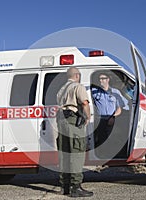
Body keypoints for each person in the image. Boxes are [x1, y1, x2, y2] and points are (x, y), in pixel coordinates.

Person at [56, 67, 93, 197]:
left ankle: (65, 185)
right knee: (76, 153)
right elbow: (84, 103)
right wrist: (88, 117)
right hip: (72, 119)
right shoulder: (78, 86)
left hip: (61, 120)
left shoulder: (61, 90)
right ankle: (76, 187)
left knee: (65, 153)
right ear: (77, 75)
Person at [91, 72, 125, 151]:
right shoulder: (94, 91)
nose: (101, 81)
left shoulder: (116, 92)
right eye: (100, 79)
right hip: (100, 120)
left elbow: (119, 108)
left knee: (111, 140)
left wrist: (113, 117)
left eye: (103, 79)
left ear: (108, 80)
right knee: (101, 140)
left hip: (111, 120)